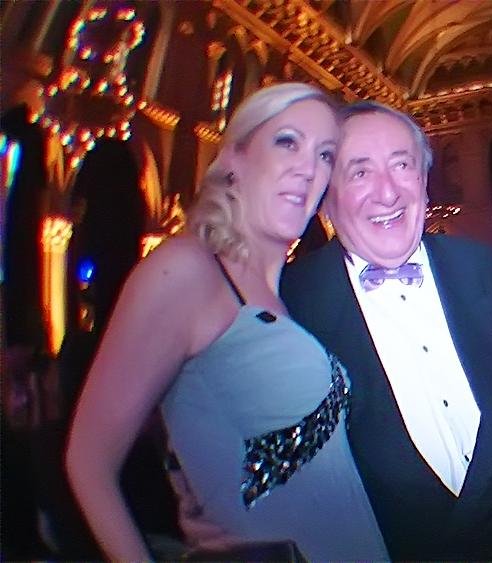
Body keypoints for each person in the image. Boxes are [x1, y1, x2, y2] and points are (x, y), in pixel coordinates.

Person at [65, 82, 388, 561]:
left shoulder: (288, 296)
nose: (307, 168)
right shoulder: (187, 271)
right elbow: (89, 462)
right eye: (287, 142)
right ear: (236, 156)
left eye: (325, 155)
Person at [280, 101, 492, 560]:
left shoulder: (485, 271)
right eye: (360, 172)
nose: (387, 193)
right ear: (325, 193)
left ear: (423, 179)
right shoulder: (290, 304)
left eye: (402, 165)